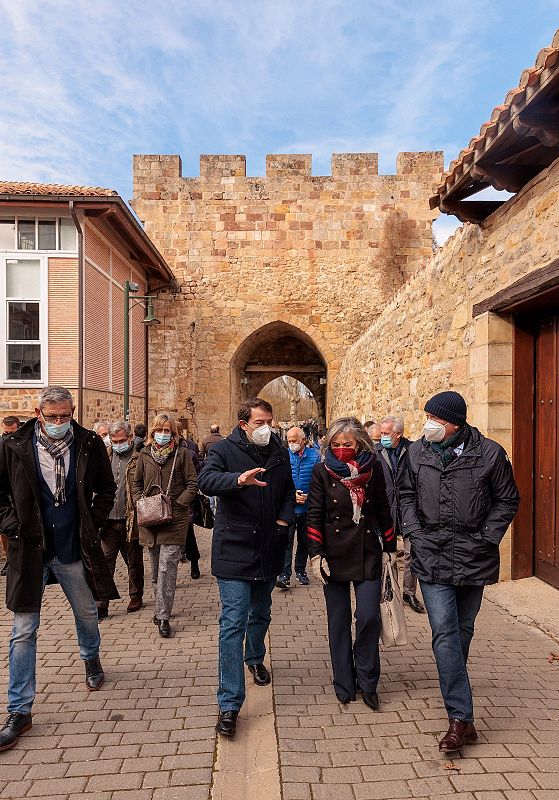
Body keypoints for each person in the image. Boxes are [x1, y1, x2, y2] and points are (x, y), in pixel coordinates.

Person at [399, 390, 520, 752]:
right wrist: (414, 532)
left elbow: (507, 499)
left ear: (454, 423)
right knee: (444, 633)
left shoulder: (490, 453)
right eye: (427, 417)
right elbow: (405, 494)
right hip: (431, 555)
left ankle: (459, 700)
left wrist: (487, 537)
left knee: (462, 631)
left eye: (435, 419)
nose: (428, 424)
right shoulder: (416, 452)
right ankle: (460, 717)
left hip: (474, 556)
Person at [0, 386, 117, 752]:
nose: (59, 422)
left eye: (65, 416)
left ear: (73, 411)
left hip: (71, 548)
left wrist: (92, 523)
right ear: (39, 414)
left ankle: (91, 657)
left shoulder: (88, 443)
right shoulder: (13, 446)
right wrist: (11, 526)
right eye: (52, 417)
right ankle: (20, 710)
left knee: (86, 611)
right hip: (29, 550)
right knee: (23, 631)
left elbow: (107, 490)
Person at [198, 397, 295, 739]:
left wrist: (283, 521)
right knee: (233, 621)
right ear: (243, 424)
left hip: (269, 545)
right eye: (259, 423)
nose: (266, 428)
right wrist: (238, 480)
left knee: (261, 612)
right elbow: (206, 481)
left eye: (269, 421)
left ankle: (254, 657)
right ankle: (229, 703)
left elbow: (288, 490)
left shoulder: (279, 450)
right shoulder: (223, 450)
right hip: (234, 548)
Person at [307, 417, 395, 709]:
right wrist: (316, 554)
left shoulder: (373, 469)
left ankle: (368, 681)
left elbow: (382, 508)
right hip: (332, 555)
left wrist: (390, 548)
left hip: (367, 550)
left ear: (359, 444)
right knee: (339, 621)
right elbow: (314, 513)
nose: (341, 448)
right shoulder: (322, 471)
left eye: (347, 443)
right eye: (336, 444)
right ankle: (344, 681)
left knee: (369, 616)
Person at [132, 413, 198, 638]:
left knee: (166, 568)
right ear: (152, 432)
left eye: (167, 430)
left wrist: (178, 504)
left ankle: (163, 616)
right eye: (159, 430)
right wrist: (140, 501)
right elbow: (136, 482)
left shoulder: (182, 454)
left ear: (173, 433)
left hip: (175, 520)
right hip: (150, 517)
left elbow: (192, 483)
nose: (162, 434)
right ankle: (161, 607)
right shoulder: (144, 454)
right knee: (155, 570)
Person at [96, 420, 144, 620]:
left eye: (121, 440)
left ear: (130, 438)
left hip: (130, 519)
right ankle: (101, 603)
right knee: (105, 563)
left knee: (133, 561)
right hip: (108, 521)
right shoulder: (105, 456)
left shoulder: (139, 458)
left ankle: (136, 595)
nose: (117, 444)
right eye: (114, 441)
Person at [378, 415, 424, 613]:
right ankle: (392, 591)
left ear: (398, 434)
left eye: (386, 433)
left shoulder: (413, 450)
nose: (382, 436)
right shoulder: (376, 452)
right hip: (386, 509)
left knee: (411, 553)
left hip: (409, 508)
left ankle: (409, 592)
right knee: (388, 554)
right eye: (381, 432)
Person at [276, 426, 320, 590]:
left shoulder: (315, 456)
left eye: (294, 440)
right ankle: (284, 574)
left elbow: (319, 481)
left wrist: (310, 496)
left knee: (304, 542)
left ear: (303, 441)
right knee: (286, 542)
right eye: (289, 441)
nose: (291, 444)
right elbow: (278, 482)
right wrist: (291, 496)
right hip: (288, 507)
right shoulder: (283, 456)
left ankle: (301, 571)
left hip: (308, 508)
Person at [176, 422, 201, 579]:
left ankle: (194, 562)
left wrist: (188, 495)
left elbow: (198, 474)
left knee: (188, 534)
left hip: (185, 500)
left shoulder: (189, 452)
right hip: (165, 500)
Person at [0, 417, 19, 578]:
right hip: (4, 493)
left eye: (11, 433)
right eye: (5, 433)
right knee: (5, 528)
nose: (7, 436)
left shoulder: (22, 444)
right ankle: (9, 559)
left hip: (19, 491)